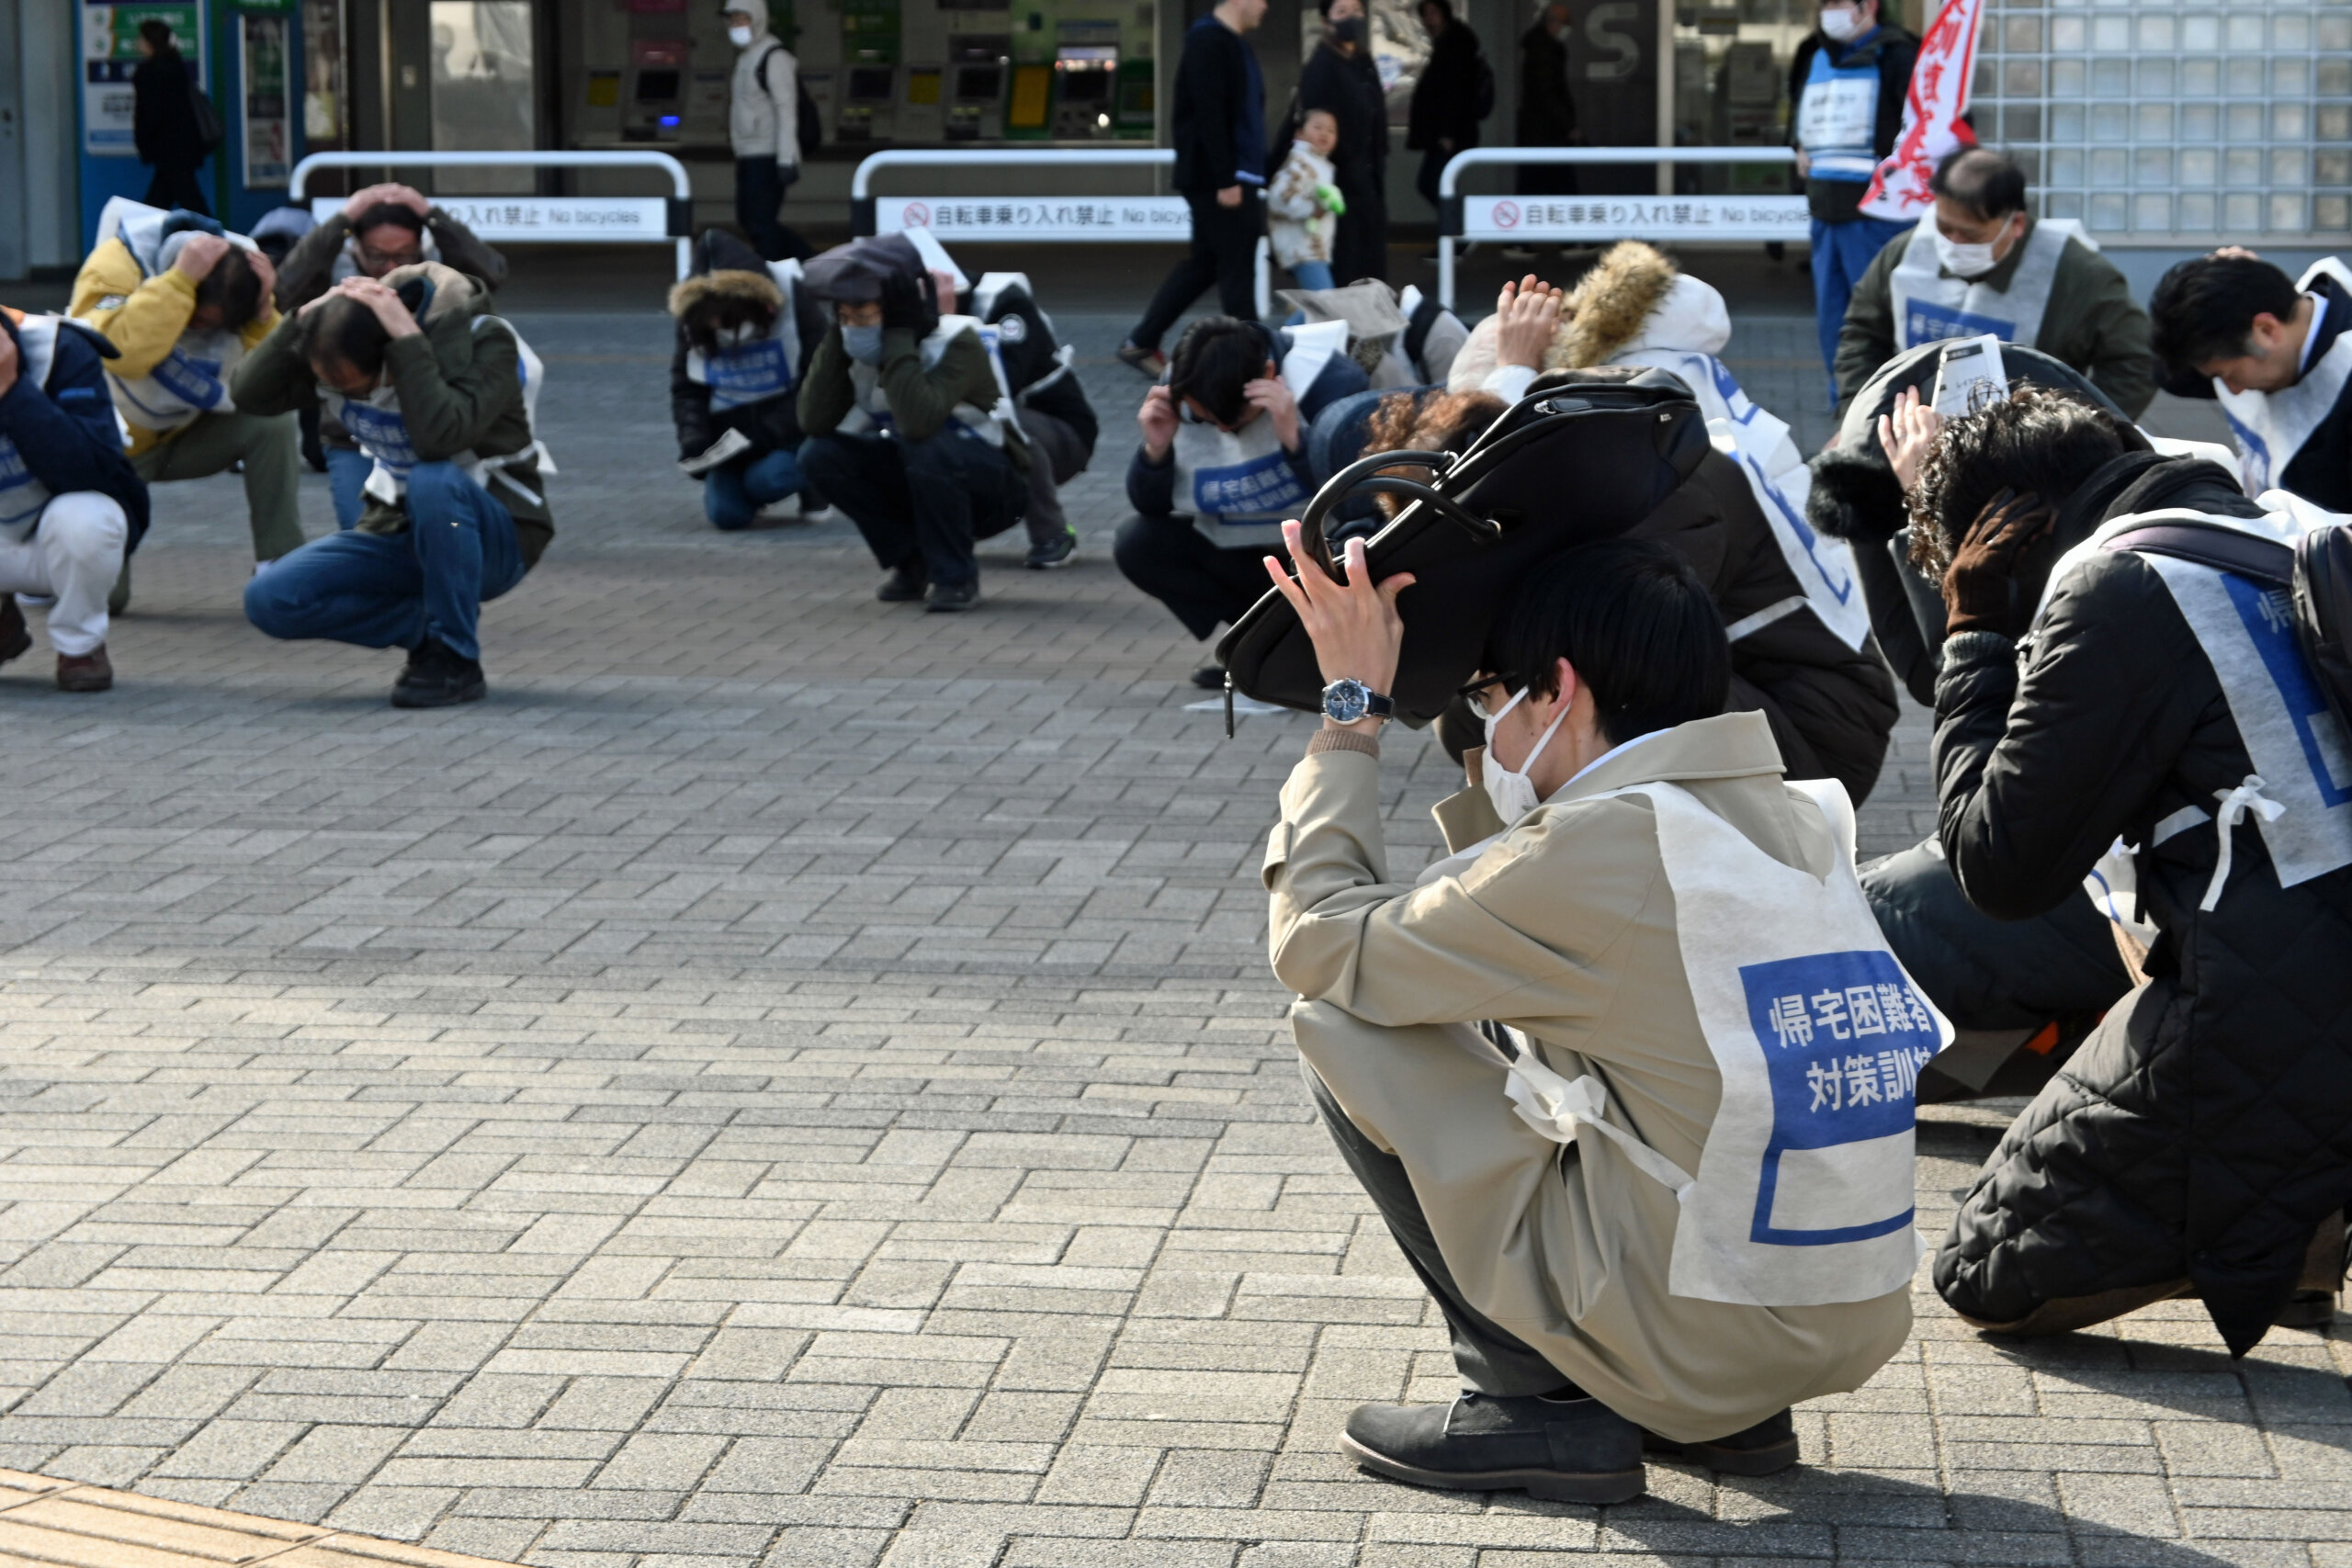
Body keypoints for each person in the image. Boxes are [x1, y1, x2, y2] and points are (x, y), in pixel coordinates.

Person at [1259, 528, 1926, 1502]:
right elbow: (1512, 918)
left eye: (1489, 698)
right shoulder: (1789, 814)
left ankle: (1540, 1406)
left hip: (1705, 1334)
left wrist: (1349, 715)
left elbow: (1317, 942)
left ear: (1557, 690)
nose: (1480, 730)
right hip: (1833, 1315)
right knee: (1481, 998)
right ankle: (1727, 1418)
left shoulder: (1608, 845)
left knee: (1342, 1019)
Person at [1901, 388, 2352, 1348]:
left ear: (2008, 529)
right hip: (2306, 961)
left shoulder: (2116, 584)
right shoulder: (2270, 528)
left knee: (1984, 1267)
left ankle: (2263, 1212)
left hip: (2282, 1009)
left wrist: (1974, 632)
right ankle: (2301, 1216)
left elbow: (1999, 868)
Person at [1445, 252, 1900, 799]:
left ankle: (1607, 849)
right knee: (1502, 685)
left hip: (1815, 740)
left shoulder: (1671, 467)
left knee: (1576, 673)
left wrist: (1512, 378)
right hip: (1795, 704)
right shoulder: (1697, 432)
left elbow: (1628, 623)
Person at [234, 265, 555, 708]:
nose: (353, 397)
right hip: (400, 530)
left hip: (496, 535)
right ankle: (430, 633)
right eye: (332, 385)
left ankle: (457, 660)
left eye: (355, 385)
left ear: (387, 354)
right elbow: (249, 393)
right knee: (270, 598)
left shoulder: (485, 340)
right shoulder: (338, 352)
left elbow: (438, 439)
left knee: (433, 478)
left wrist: (409, 343)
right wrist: (304, 318)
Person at [71, 199, 300, 606]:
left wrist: (263, 315)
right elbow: (119, 353)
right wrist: (177, 283)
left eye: (213, 326)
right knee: (107, 600)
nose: (200, 331)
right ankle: (39, 568)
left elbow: (278, 382)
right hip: (106, 450)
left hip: (180, 437)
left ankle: (281, 565)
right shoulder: (117, 263)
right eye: (198, 320)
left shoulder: (239, 279)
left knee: (273, 418)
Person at [1115, 314, 1368, 679]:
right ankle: (1260, 647)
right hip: (1237, 549)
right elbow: (1150, 507)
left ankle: (1318, 654)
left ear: (1267, 373)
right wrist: (1156, 451)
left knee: (1357, 540)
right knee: (1137, 541)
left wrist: (1298, 440)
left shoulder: (1331, 381)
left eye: (1234, 421)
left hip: (1319, 551)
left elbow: (1359, 503)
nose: (1222, 428)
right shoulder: (1184, 384)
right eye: (1208, 419)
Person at [797, 235, 1027, 612]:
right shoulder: (854, 345)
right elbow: (813, 419)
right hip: (922, 472)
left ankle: (956, 577)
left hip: (995, 487)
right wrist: (839, 340)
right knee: (819, 455)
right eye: (846, 316)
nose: (857, 326)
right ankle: (911, 561)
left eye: (866, 314)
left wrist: (899, 335)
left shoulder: (955, 340)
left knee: (924, 444)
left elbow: (918, 421)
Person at [1837, 148, 2155, 418]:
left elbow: (2136, 361)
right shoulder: (1906, 253)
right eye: (1944, 226)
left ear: (2015, 224)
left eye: (1971, 234)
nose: (1953, 242)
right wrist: (1860, 417)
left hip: (2027, 453)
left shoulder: (2077, 274)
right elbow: (1863, 334)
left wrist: (2085, 427)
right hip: (1915, 436)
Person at [273, 183, 512, 526]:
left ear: (421, 249)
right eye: (376, 255)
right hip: (351, 437)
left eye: (402, 256)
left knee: (431, 534)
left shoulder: (438, 279)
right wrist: (343, 218)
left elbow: (492, 274)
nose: (388, 267)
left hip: (424, 436)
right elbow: (284, 290)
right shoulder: (335, 276)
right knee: (362, 539)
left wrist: (433, 215)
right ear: (355, 247)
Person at [0, 306, 150, 693]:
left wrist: (13, 390)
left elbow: (90, 473)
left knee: (87, 518)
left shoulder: (61, 350)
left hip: (53, 536)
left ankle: (80, 647)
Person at [1117, 0, 1269, 378]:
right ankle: (1253, 360)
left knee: (1206, 263)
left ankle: (1141, 340)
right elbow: (1209, 113)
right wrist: (1225, 179)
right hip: (1220, 180)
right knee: (1236, 268)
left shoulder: (1232, 43)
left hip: (1232, 176)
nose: (1266, 6)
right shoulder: (1208, 41)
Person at [2150, 249, 2352, 509]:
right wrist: (2218, 287)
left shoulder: (2342, 372)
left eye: (2227, 375)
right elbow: (2168, 375)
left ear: (2267, 331)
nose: (2232, 391)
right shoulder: (2261, 333)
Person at [1788, 0, 1917, 394]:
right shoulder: (1812, 51)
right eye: (1823, 4)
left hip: (1879, 214)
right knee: (1833, 319)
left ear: (1869, 6)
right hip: (1826, 207)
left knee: (1878, 316)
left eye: (1838, 3)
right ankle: (1844, 402)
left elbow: (1926, 126)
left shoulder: (1902, 53)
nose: (1828, 11)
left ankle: (1886, 402)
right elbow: (1797, 111)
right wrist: (1797, 145)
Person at [668, 229, 829, 531]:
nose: (724, 332)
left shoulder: (794, 299)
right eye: (714, 326)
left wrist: (768, 432)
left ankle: (812, 484)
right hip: (729, 439)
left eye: (729, 322)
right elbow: (686, 388)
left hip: (788, 431)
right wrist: (693, 439)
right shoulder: (693, 319)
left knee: (774, 477)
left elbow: (821, 382)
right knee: (726, 516)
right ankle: (750, 485)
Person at [1300, 0, 1390, 287]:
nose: (1351, 18)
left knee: (1372, 265)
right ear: (1327, 21)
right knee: (1345, 266)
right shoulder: (1321, 65)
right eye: (1341, 11)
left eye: (1356, 10)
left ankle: (1372, 326)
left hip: (1370, 179)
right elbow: (1315, 128)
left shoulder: (1363, 60)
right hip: (1338, 184)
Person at [724, 2, 808, 264]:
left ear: (758, 19)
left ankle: (775, 276)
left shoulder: (774, 56)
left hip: (768, 155)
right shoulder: (746, 57)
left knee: (760, 223)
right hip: (748, 154)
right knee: (749, 219)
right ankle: (809, 261)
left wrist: (786, 158)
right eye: (733, 20)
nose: (737, 26)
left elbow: (786, 109)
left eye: (742, 19)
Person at [1407, 0, 1486, 217]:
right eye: (1425, 14)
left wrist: (1448, 132)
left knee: (1432, 184)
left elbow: (1455, 92)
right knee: (1436, 184)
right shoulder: (1447, 44)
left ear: (1445, 14)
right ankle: (1458, 235)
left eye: (1434, 12)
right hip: (1445, 132)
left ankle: (1462, 231)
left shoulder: (1455, 46)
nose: (1428, 19)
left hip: (1449, 133)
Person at [131, 20, 210, 217]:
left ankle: (217, 240)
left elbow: (149, 115)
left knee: (186, 201)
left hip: (167, 149)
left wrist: (144, 142)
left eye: (141, 39)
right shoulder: (176, 67)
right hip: (183, 146)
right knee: (165, 200)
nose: (137, 43)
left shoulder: (149, 73)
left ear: (150, 42)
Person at [1269, 110, 1345, 293]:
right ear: (1299, 133)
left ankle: (1293, 323)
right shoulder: (1299, 163)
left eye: (1331, 130)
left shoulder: (1322, 164)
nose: (1324, 133)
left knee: (1317, 304)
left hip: (1314, 248)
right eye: (1317, 127)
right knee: (1323, 301)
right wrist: (1312, 210)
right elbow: (1278, 198)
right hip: (1301, 248)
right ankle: (1291, 324)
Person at [1514, 1, 1578, 201]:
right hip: (1547, 132)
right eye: (1564, 23)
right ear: (1552, 22)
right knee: (1558, 186)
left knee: (1537, 185)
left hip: (1540, 131)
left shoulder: (1539, 46)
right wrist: (1568, 125)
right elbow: (1547, 92)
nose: (1566, 29)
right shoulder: (1544, 50)